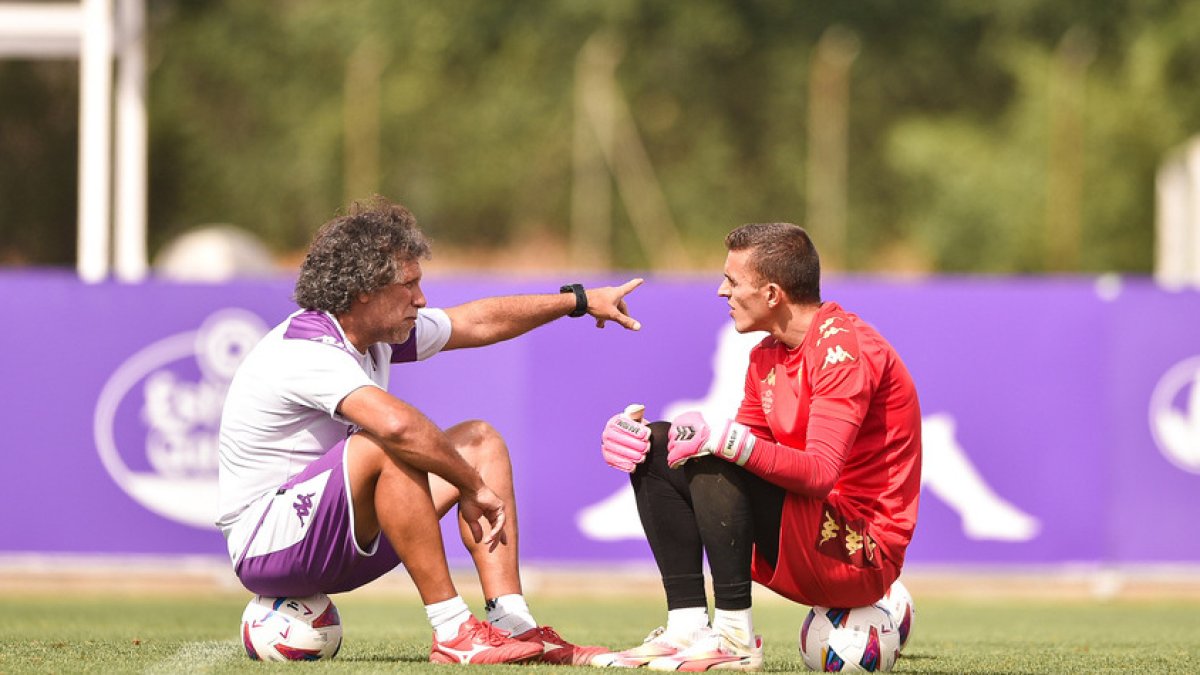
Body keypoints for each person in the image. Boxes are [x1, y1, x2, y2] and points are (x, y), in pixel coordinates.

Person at [216, 196, 642, 666]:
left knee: (480, 440)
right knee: (386, 441)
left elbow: (477, 321)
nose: (421, 299)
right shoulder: (306, 348)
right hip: (271, 550)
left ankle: (513, 626)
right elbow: (397, 426)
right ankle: (454, 630)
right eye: (410, 285)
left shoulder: (371, 336)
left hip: (340, 541)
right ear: (364, 290)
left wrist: (578, 301)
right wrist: (471, 486)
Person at [599, 222, 921, 671]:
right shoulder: (766, 355)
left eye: (732, 281)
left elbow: (819, 472)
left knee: (714, 449)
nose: (720, 291)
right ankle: (687, 627)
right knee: (658, 442)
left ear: (772, 294)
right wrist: (642, 446)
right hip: (803, 535)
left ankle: (734, 640)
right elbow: (747, 462)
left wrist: (724, 440)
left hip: (859, 554)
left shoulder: (843, 351)